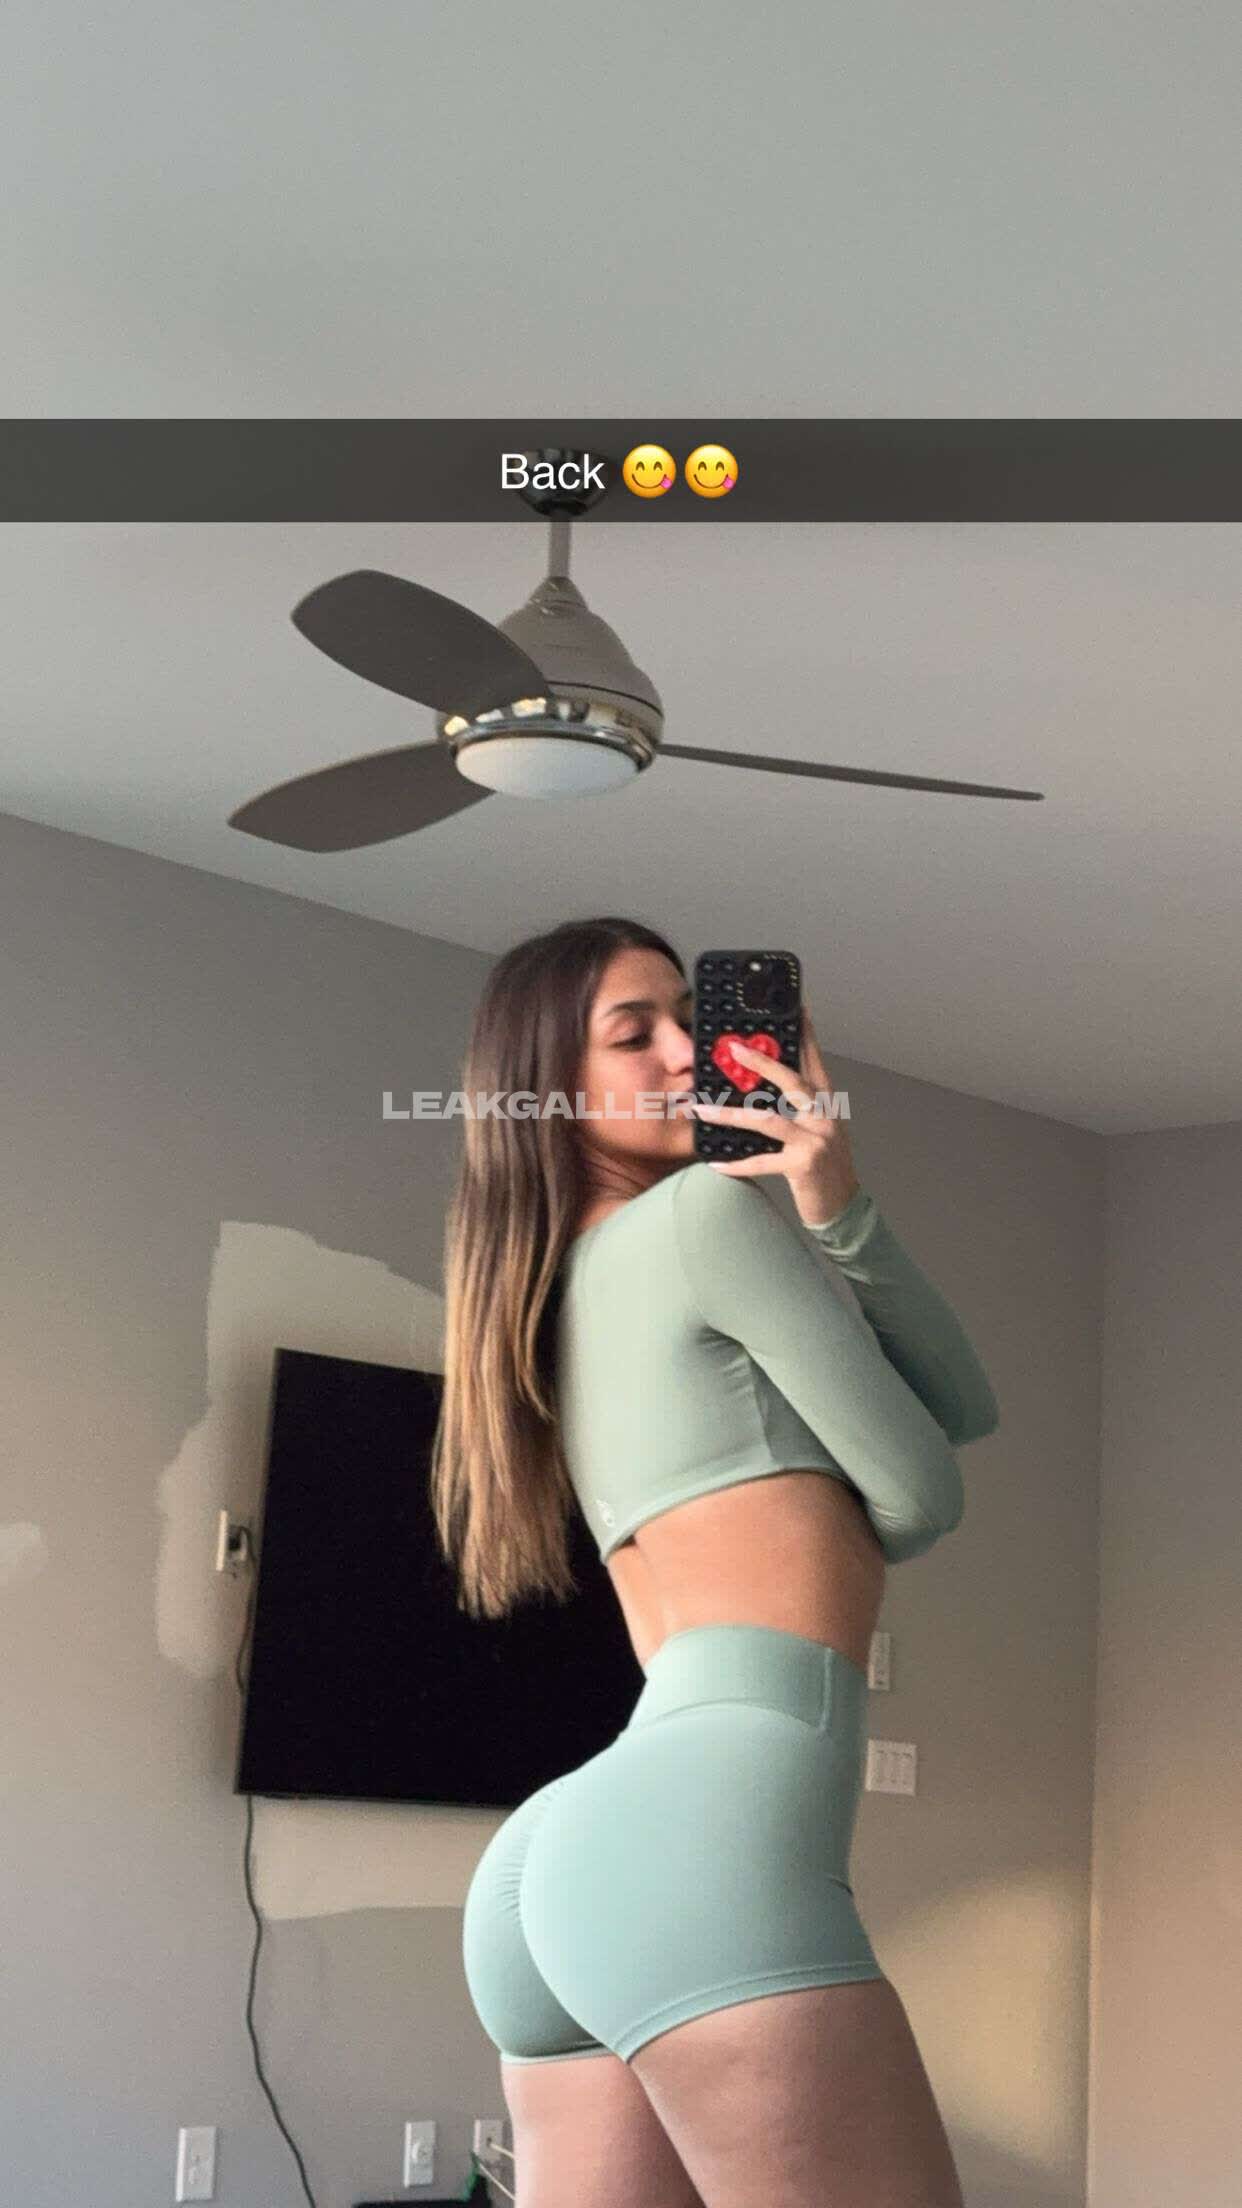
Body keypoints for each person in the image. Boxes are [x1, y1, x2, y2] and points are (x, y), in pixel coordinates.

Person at [430, 916, 1000, 2208]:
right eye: (633, 1034)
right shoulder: (700, 1217)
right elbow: (925, 1488)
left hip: (566, 1852)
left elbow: (960, 1408)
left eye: (691, 1018)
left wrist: (834, 1205)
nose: (689, 1053)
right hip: (704, 1829)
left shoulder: (541, 1300)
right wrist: (833, 1205)